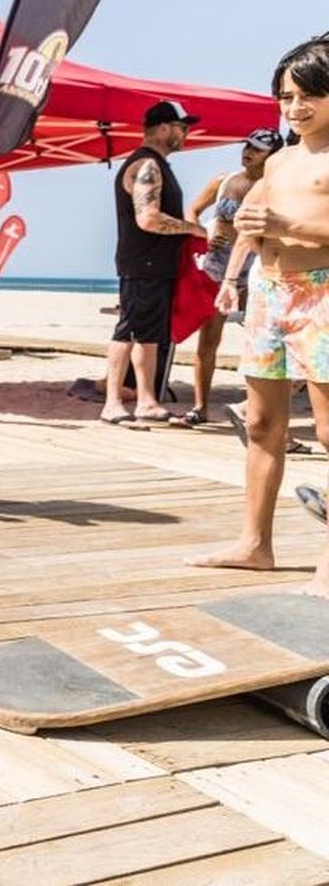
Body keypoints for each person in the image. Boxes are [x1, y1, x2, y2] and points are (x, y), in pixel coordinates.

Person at [188, 35, 329, 596]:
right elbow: (253, 220)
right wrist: (232, 276)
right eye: (285, 97)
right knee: (262, 424)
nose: (294, 109)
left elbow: (285, 224)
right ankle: (255, 544)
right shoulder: (282, 157)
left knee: (325, 430)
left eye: (308, 97)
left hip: (321, 293)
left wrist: (284, 228)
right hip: (269, 294)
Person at [100, 101, 208, 425]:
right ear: (164, 128)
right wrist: (195, 228)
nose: (185, 134)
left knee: (149, 335)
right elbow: (147, 218)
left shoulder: (156, 164)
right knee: (129, 331)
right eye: (182, 127)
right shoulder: (147, 164)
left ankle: (146, 400)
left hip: (155, 264)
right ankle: (112, 402)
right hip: (143, 263)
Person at [181, 128, 286, 425]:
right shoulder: (225, 180)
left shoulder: (275, 187)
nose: (247, 152)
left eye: (256, 148)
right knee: (209, 339)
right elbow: (194, 209)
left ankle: (256, 407)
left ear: (272, 156)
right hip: (218, 267)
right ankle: (200, 408)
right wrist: (202, 233)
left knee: (262, 340)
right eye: (246, 145)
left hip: (256, 266)